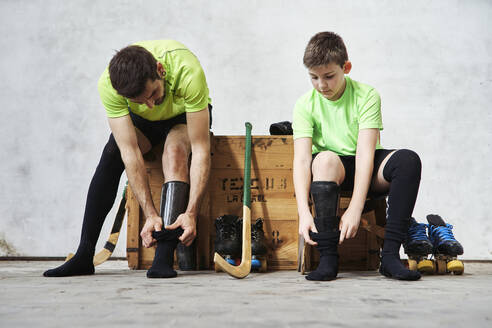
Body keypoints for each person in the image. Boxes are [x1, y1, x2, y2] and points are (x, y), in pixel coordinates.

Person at [44, 40, 212, 278]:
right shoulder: (109, 86)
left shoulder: (188, 71)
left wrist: (192, 212)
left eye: (153, 93)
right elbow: (130, 153)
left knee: (174, 152)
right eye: (141, 100)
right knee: (112, 152)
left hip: (182, 115)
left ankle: (163, 257)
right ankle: (84, 254)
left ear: (160, 71)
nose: (151, 104)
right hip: (142, 123)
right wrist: (151, 214)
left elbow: (201, 148)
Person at [293, 32, 423, 281]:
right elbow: (301, 161)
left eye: (329, 76)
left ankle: (391, 257)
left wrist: (355, 207)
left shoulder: (367, 95)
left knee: (408, 160)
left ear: (346, 68)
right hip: (331, 171)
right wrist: (303, 213)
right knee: (323, 159)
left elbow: (365, 153)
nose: (322, 85)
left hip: (367, 165)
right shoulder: (304, 105)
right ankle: (328, 259)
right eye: (314, 77)